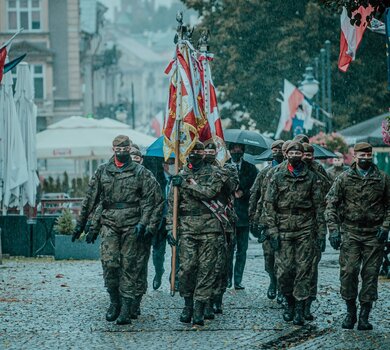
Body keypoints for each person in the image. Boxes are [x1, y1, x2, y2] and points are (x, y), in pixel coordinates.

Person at [71, 135, 163, 325]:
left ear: (129, 149)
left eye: (125, 149)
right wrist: (81, 224)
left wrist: (144, 223)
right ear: (113, 150)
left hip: (132, 223)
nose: (121, 152)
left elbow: (149, 201)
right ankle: (114, 301)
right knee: (110, 263)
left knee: (130, 266)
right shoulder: (103, 171)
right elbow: (91, 199)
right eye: (118, 149)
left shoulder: (141, 172)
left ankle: (127, 308)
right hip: (110, 223)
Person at [325, 142, 390, 330]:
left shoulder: (382, 179)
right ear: (354, 156)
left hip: (373, 235)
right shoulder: (344, 178)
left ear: (372, 156)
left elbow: (388, 206)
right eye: (361, 155)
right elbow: (331, 205)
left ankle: (364, 315)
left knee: (370, 275)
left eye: (368, 155)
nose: (365, 158)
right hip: (350, 233)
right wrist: (334, 230)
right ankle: (350, 311)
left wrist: (385, 227)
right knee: (349, 272)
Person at [264, 141, 325, 326]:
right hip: (283, 229)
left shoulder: (312, 177)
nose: (295, 155)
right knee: (284, 271)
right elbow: (269, 205)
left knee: (303, 270)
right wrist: (272, 231)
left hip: (305, 229)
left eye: (298, 152)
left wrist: (322, 234)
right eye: (292, 152)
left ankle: (299, 308)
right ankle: (288, 302)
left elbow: (319, 207)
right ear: (286, 154)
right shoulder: (277, 176)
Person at [166, 141, 226, 326]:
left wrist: (187, 185)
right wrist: (170, 228)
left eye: (199, 150)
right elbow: (171, 206)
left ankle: (200, 307)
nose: (196, 153)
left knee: (206, 270)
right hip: (187, 229)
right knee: (187, 269)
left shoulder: (215, 173)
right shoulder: (180, 175)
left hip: (210, 229)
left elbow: (209, 193)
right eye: (192, 150)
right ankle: (188, 305)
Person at [203, 141, 239, 317]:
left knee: (221, 264)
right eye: (206, 149)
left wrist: (221, 171)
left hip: (222, 221)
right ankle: (204, 299)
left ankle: (217, 297)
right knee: (202, 265)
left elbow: (233, 187)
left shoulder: (228, 169)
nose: (209, 152)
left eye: (212, 150)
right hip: (200, 224)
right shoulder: (193, 171)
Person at [249, 140, 284, 300]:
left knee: (284, 259)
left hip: (285, 221)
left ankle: (284, 290)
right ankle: (273, 281)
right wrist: (254, 220)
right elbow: (255, 195)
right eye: (274, 149)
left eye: (280, 149)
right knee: (269, 256)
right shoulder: (264, 173)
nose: (277, 152)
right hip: (266, 221)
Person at [301, 142, 331, 320]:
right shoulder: (288, 171)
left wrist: (315, 171)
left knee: (311, 268)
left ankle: (307, 303)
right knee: (293, 268)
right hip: (293, 226)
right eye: (304, 154)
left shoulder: (318, 169)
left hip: (313, 226)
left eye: (309, 154)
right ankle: (293, 300)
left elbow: (329, 190)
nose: (306, 157)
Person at [227, 143, 258, 289]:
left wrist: (243, 192)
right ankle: (227, 278)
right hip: (226, 217)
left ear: (243, 151)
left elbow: (256, 189)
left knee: (242, 250)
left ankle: (238, 280)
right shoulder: (223, 168)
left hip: (244, 216)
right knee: (227, 250)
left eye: (239, 149)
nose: (236, 151)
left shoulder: (251, 169)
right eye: (233, 149)